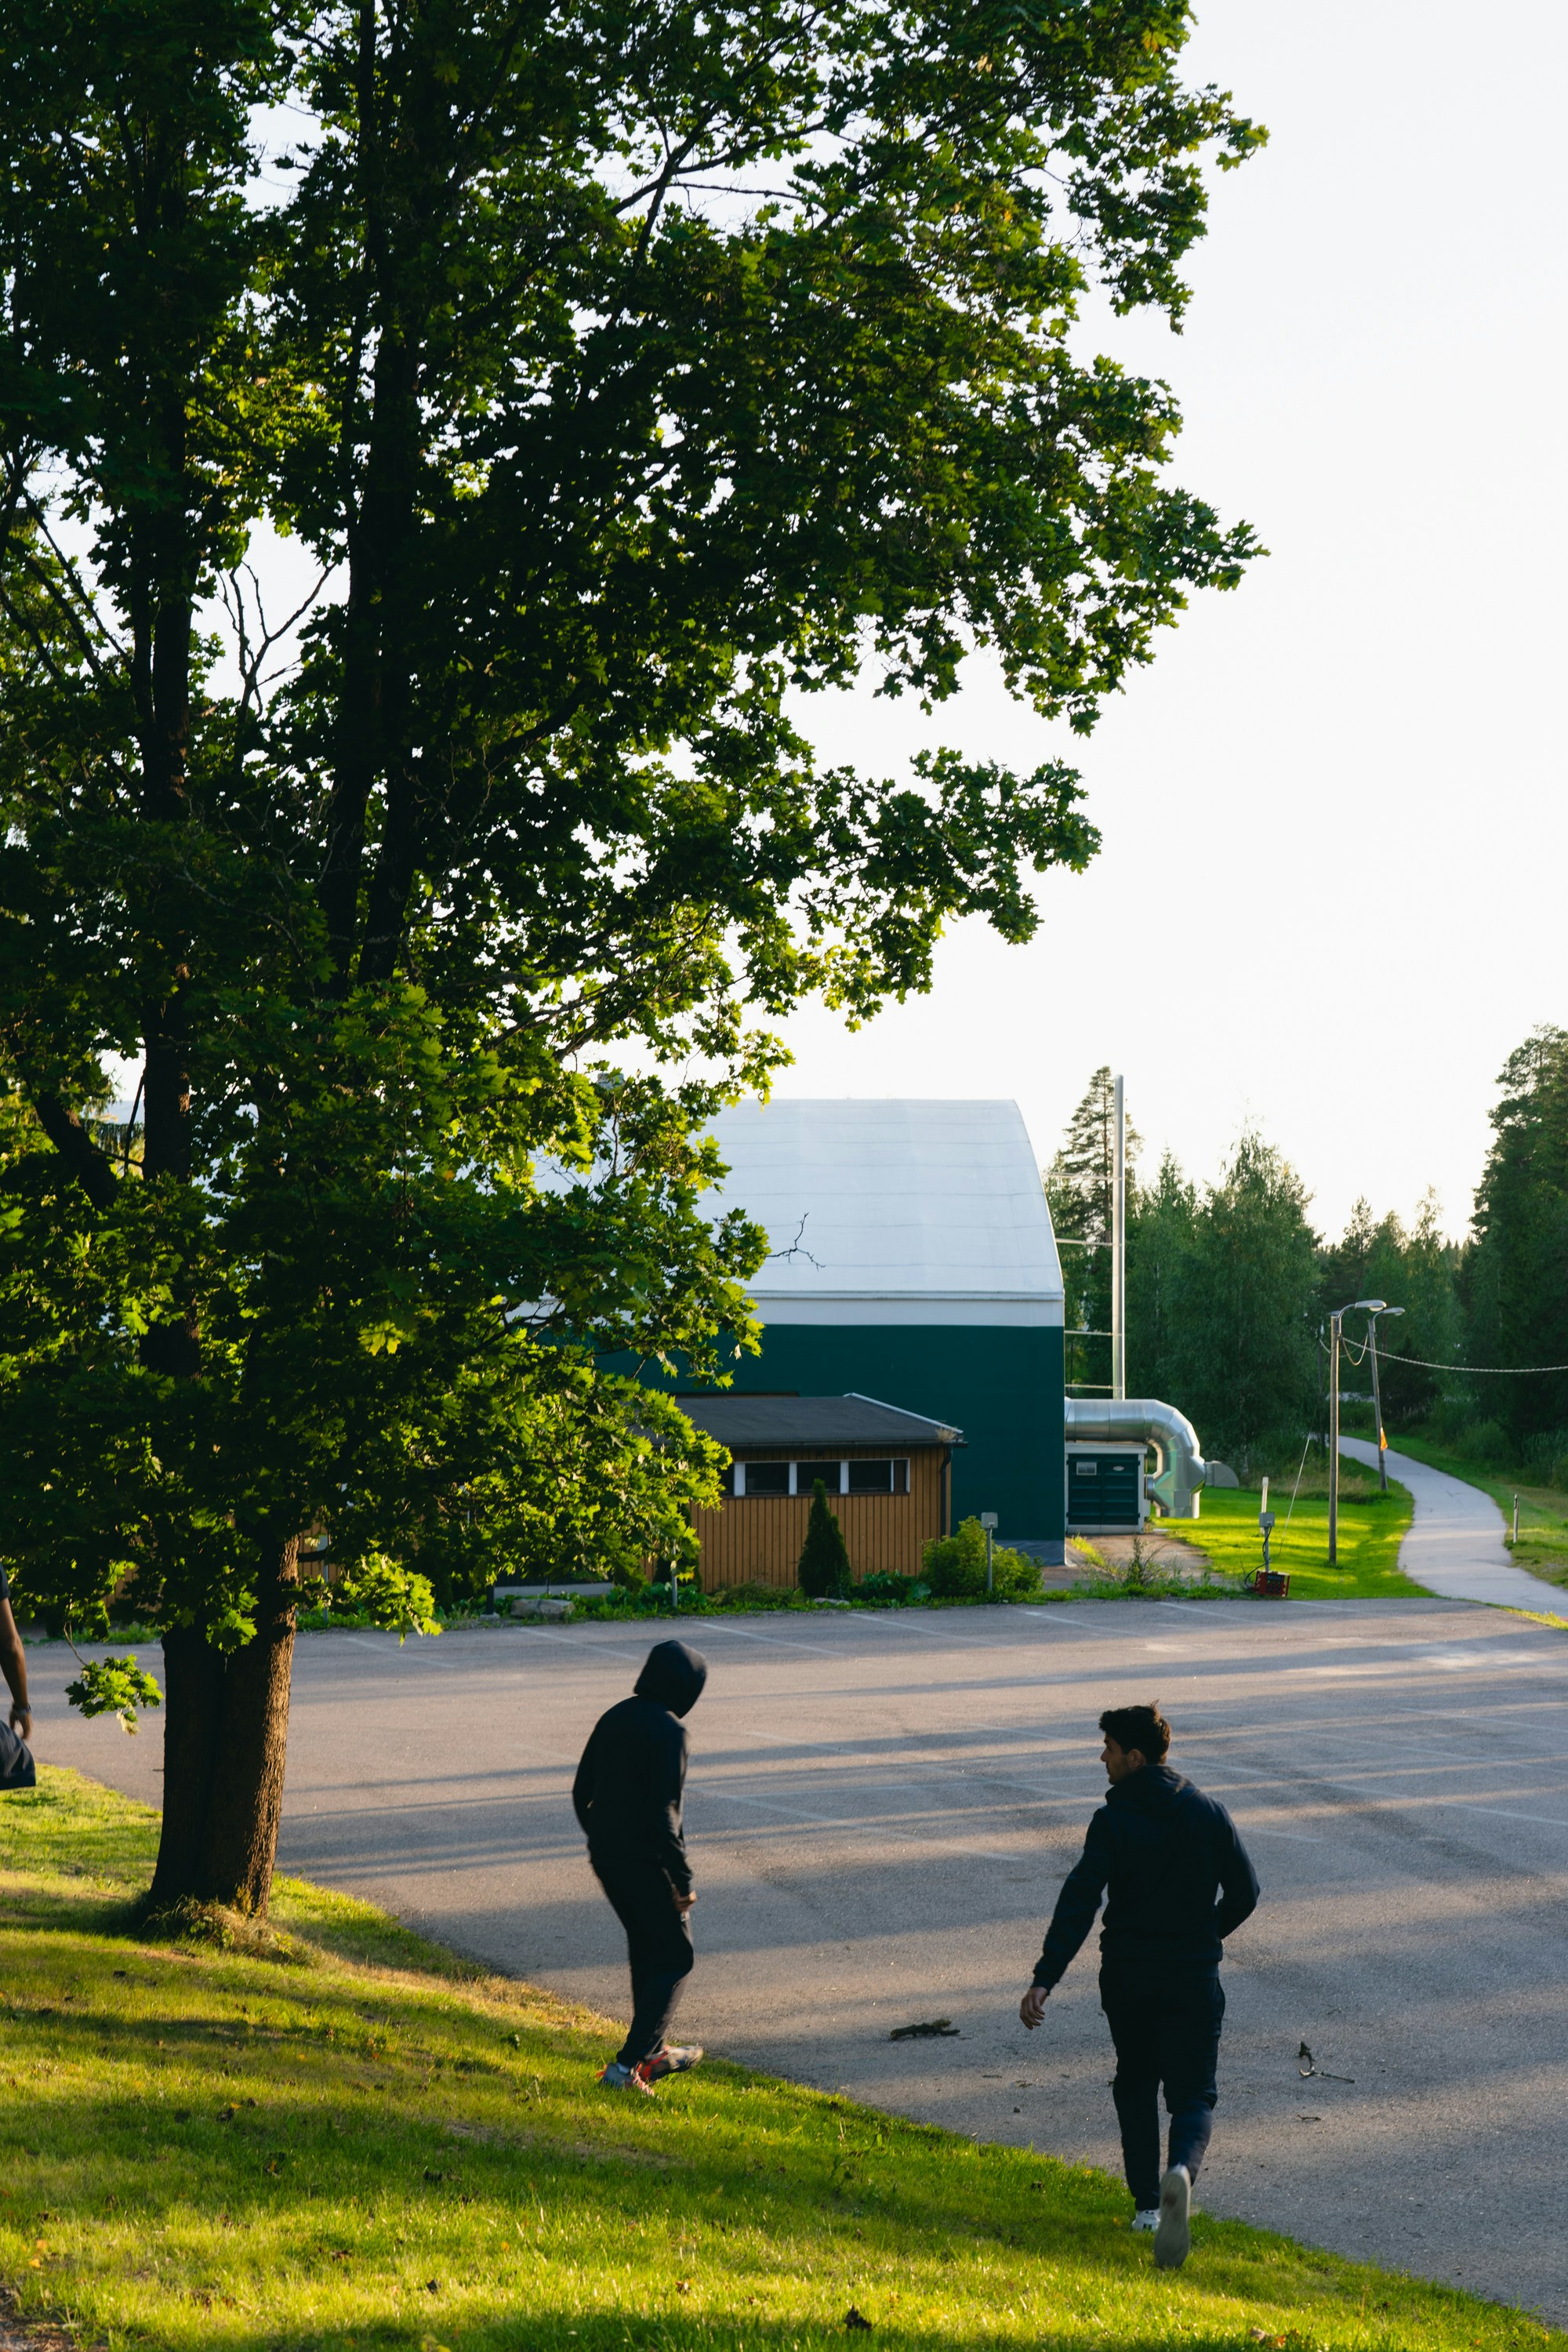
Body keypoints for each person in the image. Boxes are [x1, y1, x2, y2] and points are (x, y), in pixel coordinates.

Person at [1019, 1703, 1258, 2271]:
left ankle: (1148, 2207)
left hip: (1127, 1975)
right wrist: (1205, 1935)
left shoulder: (1113, 1820)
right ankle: (1182, 2173)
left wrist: (1045, 1977)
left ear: (1134, 1757)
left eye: (1108, 1749)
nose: (1101, 1758)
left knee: (1135, 2081)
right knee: (1194, 2095)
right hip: (1193, 1975)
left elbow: (1080, 1901)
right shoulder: (1208, 1812)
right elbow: (1246, 1893)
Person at [572, 1638, 708, 2094]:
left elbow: (580, 1791)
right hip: (649, 1862)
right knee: (676, 1956)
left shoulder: (615, 1716)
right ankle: (626, 2067)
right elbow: (665, 1814)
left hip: (607, 1858)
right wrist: (683, 1880)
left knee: (647, 1948)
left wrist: (601, 1837)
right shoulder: (672, 1732)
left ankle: (653, 2052)